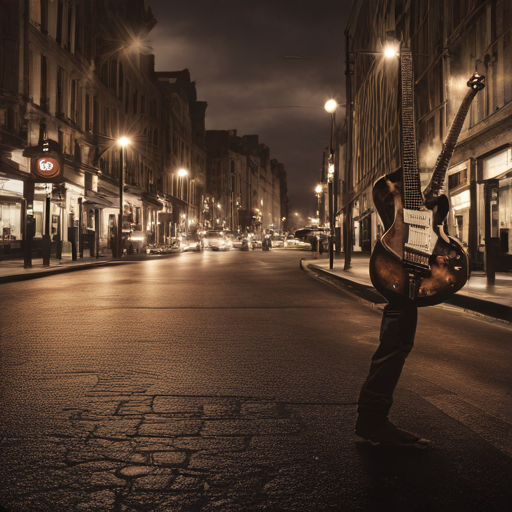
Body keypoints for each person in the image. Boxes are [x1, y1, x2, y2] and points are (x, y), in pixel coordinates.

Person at [354, 299, 430, 448]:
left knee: (394, 344)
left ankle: (371, 421)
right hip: (402, 288)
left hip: (400, 289)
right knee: (397, 346)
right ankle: (372, 424)